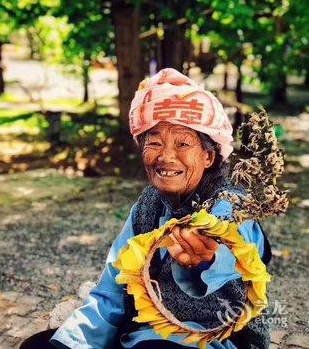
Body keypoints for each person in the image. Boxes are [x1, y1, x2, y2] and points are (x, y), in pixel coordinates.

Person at [20, 68, 271, 349]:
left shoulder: (231, 205)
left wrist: (206, 261)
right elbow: (112, 288)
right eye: (154, 142)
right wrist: (75, 342)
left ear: (208, 156)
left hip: (212, 339)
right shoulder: (148, 204)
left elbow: (229, 248)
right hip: (146, 330)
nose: (165, 156)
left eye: (183, 143)